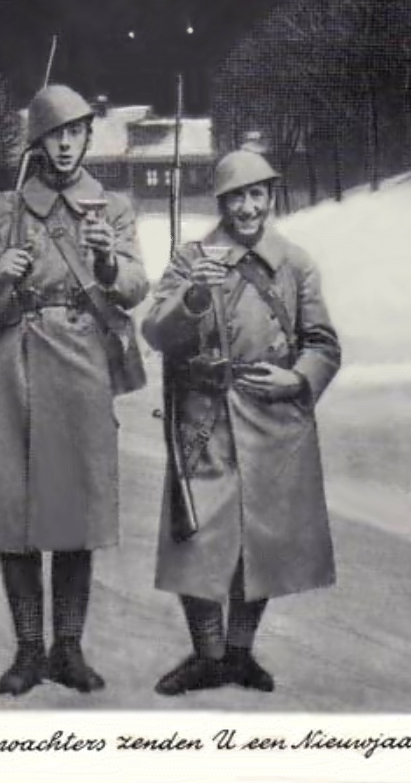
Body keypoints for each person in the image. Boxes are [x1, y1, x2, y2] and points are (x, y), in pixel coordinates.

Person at [0, 85, 149, 697]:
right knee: (16, 513)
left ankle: (68, 651)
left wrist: (107, 264)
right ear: (39, 141)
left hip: (82, 369)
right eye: (55, 134)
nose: (65, 145)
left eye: (75, 133)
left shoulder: (110, 207)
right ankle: (29, 651)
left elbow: (136, 285)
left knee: (75, 514)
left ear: (87, 138)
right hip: (14, 369)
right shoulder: (5, 209)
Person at [142, 149, 341, 696]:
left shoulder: (296, 263)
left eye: (257, 195)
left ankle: (239, 653)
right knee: (197, 539)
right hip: (204, 418)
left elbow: (323, 344)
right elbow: (155, 332)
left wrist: (296, 379)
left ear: (270, 197)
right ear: (221, 202)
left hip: (273, 419)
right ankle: (207, 656)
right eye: (236, 197)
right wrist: (193, 295)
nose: (248, 208)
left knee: (262, 540)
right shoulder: (191, 258)